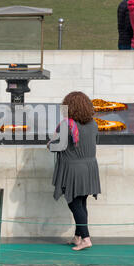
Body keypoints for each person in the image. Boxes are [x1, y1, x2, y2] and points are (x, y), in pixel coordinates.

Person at [48, 92, 101, 251]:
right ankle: (78, 237)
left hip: (73, 170)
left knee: (75, 204)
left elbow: (56, 146)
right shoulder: (93, 124)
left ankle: (86, 238)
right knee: (82, 202)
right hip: (89, 168)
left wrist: (49, 143)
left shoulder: (67, 125)